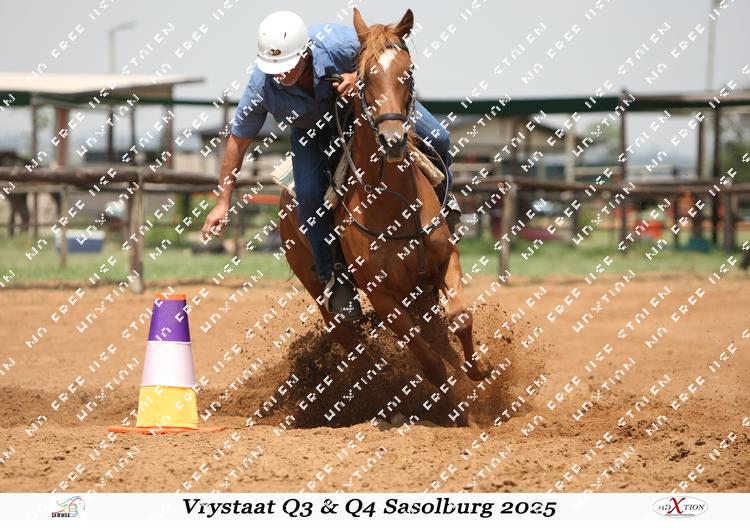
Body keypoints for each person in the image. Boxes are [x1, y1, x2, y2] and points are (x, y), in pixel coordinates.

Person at [202, 11, 461, 321]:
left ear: (306, 52)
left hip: (370, 108)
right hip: (310, 131)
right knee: (309, 196)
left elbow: (382, 53)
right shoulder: (262, 86)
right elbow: (237, 142)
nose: (282, 74)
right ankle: (334, 278)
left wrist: (356, 77)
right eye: (275, 68)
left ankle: (445, 209)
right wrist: (223, 202)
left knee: (440, 138)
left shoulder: (339, 42)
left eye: (288, 65)